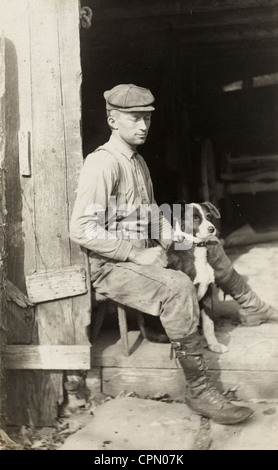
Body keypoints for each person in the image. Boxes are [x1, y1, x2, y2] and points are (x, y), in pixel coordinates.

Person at [70, 84, 278, 425]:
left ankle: (254, 308)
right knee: (178, 285)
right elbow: (81, 228)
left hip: (141, 252)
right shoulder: (102, 164)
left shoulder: (137, 162)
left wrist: (175, 239)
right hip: (111, 266)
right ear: (112, 120)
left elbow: (152, 214)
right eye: (134, 118)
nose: (143, 126)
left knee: (210, 245)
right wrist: (135, 255)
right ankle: (198, 388)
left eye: (147, 118)